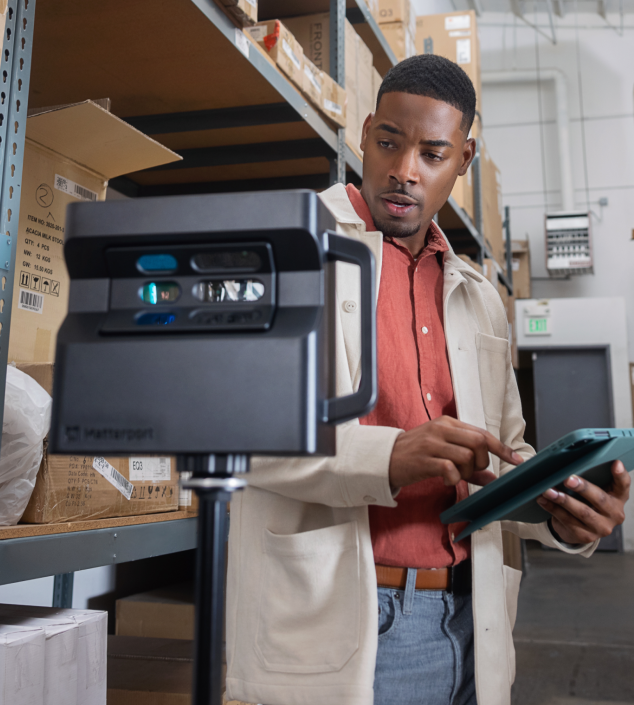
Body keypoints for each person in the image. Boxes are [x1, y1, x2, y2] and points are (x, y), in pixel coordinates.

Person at [224, 54, 630, 705]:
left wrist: (564, 515)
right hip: (352, 623)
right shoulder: (287, 252)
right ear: (364, 132)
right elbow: (238, 433)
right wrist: (392, 454)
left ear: (464, 160)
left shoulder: (479, 298)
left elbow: (507, 455)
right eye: (389, 142)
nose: (405, 170)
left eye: (433, 154)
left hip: (478, 623)